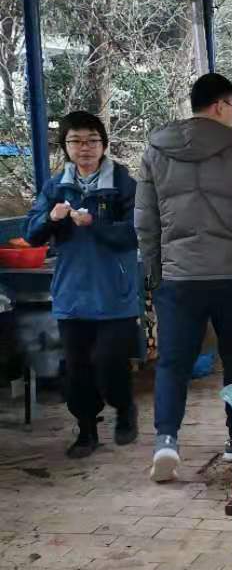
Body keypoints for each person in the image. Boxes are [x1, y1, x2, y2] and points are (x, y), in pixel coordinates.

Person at [136, 72, 232, 481]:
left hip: (179, 278)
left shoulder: (154, 154)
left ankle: (166, 441)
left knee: (173, 363)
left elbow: (146, 224)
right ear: (219, 106)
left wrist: (158, 275)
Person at [25, 110, 140, 458]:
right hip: (72, 293)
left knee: (109, 362)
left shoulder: (122, 183)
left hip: (114, 293)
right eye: (76, 141)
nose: (84, 147)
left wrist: (95, 224)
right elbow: (31, 235)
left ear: (104, 144)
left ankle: (124, 407)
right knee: (77, 370)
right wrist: (51, 217)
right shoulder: (56, 186)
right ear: (66, 146)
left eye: (92, 140)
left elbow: (136, 233)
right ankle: (87, 430)